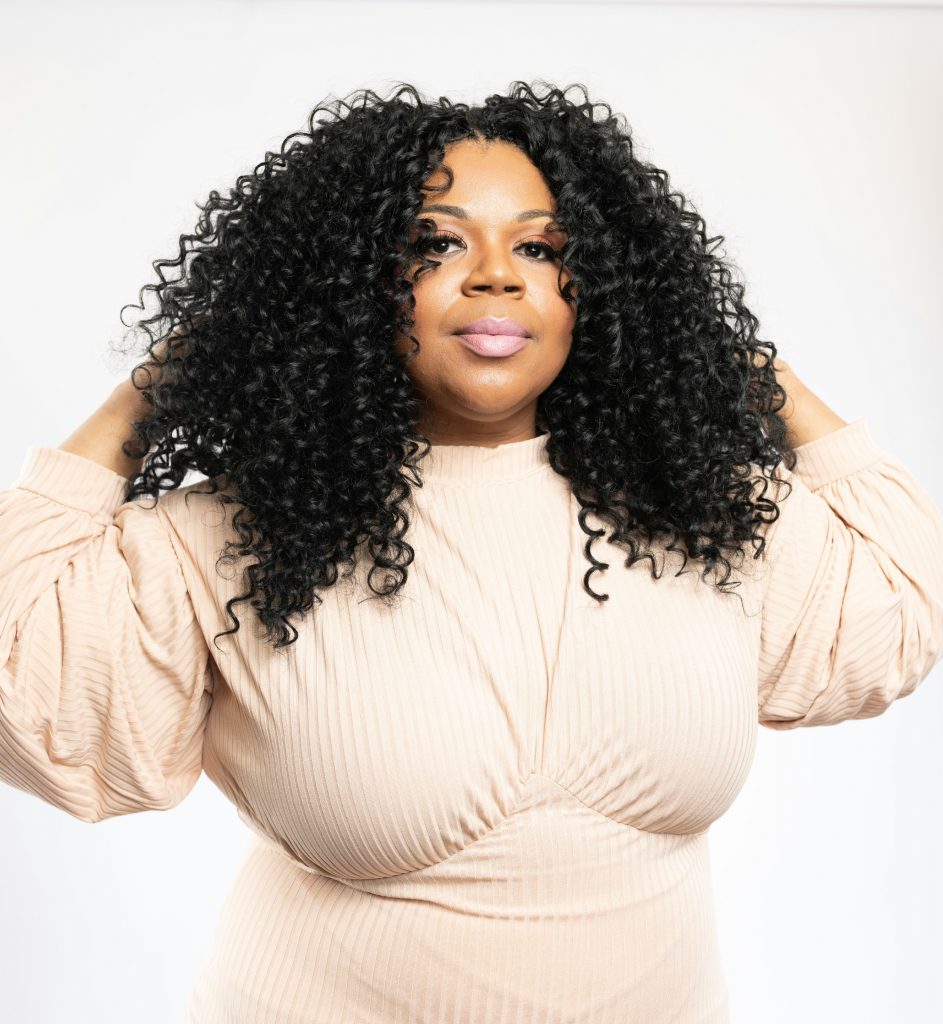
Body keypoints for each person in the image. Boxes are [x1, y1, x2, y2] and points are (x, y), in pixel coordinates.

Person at [2, 80, 942, 1024]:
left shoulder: (705, 512)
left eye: (539, 248)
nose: (496, 277)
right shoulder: (228, 537)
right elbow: (28, 704)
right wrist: (160, 386)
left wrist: (741, 366)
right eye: (436, 244)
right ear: (347, 287)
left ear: (605, 290)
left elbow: (904, 607)